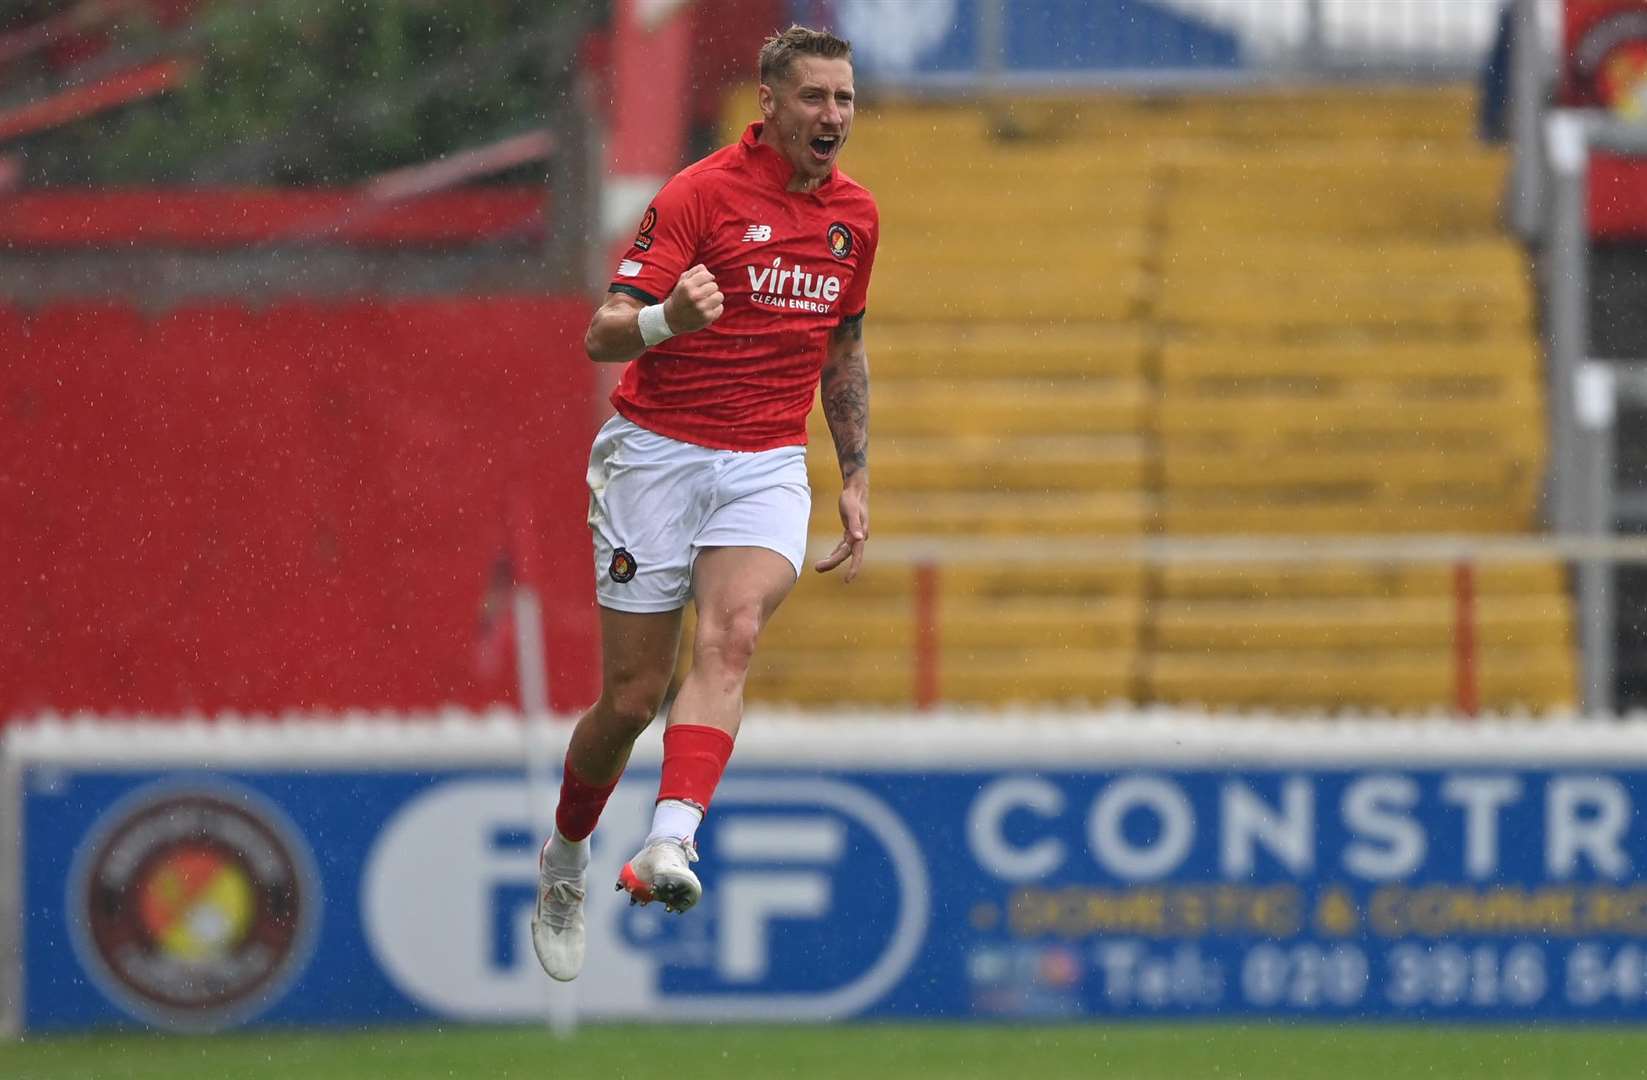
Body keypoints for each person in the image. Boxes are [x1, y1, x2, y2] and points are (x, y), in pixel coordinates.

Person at [531, 24, 878, 982]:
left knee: (732, 636)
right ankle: (565, 856)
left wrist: (851, 472)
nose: (833, 117)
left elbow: (841, 348)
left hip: (766, 460)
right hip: (656, 457)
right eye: (815, 98)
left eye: (844, 99)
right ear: (768, 103)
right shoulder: (697, 195)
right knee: (631, 698)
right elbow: (602, 338)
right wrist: (666, 320)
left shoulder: (855, 216)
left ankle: (669, 842)